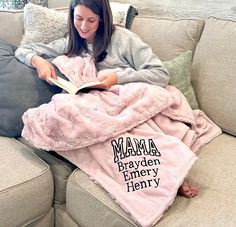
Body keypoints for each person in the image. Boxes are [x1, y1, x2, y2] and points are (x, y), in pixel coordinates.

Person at [15, 0, 197, 198]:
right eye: (79, 18)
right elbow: (22, 50)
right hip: (99, 102)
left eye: (91, 20)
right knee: (72, 119)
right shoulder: (72, 42)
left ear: (102, 19)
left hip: (128, 95)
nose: (84, 27)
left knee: (131, 133)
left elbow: (160, 74)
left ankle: (170, 175)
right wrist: (37, 60)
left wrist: (117, 77)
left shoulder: (124, 39)